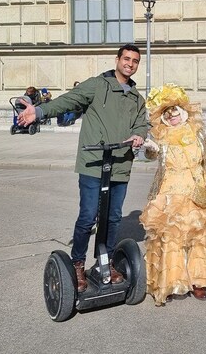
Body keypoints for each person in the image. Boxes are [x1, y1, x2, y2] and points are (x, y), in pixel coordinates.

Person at [16, 44, 148, 292]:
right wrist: (40, 111)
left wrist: (140, 135)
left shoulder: (136, 98)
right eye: (126, 59)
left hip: (119, 164)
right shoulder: (97, 85)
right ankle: (78, 263)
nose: (130, 64)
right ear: (117, 59)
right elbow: (68, 100)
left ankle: (104, 263)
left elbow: (142, 124)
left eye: (135, 61)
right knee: (88, 217)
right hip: (93, 163)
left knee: (113, 217)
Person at [139, 84, 206, 306]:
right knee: (172, 236)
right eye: (168, 115)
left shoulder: (195, 133)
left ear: (183, 112)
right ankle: (173, 281)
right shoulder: (161, 135)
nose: (173, 118)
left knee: (198, 236)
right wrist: (150, 148)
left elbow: (205, 158)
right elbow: (151, 156)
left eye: (176, 113)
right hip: (170, 191)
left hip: (195, 190)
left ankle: (197, 281)